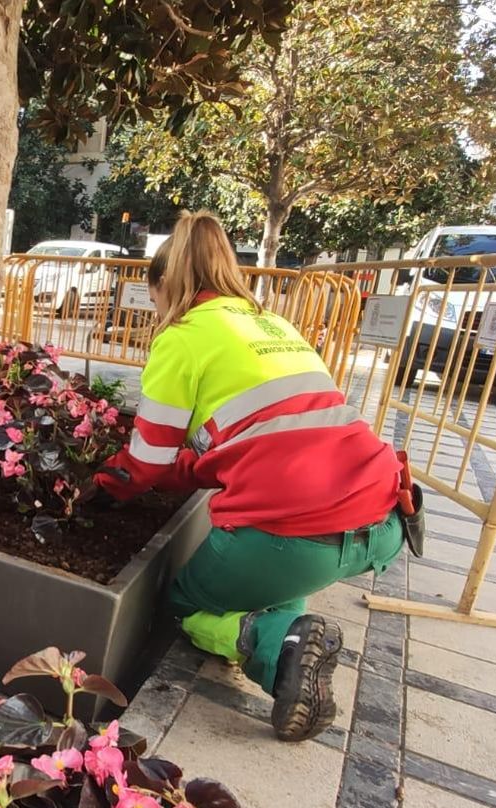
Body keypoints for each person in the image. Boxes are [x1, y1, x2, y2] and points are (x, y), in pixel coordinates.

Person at [94, 211, 405, 743]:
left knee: (181, 607)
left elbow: (145, 460)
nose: (156, 313)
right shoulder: (274, 325)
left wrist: (102, 487)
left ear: (166, 285)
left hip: (290, 537)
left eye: (155, 300)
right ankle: (288, 652)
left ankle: (267, 637)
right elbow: (250, 439)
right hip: (380, 518)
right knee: (280, 580)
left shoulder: (185, 335)